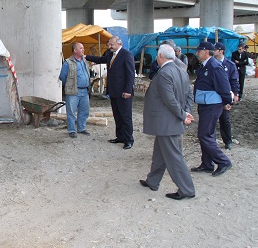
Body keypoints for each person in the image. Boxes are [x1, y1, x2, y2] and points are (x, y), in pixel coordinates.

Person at [140, 44, 195, 200]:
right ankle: (153, 181)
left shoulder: (165, 73)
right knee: (160, 154)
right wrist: (186, 111)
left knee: (174, 158)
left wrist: (183, 115)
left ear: (160, 56)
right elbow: (189, 94)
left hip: (167, 123)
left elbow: (169, 100)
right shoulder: (181, 71)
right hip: (170, 122)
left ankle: (187, 189)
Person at [191, 41, 233, 177]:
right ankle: (207, 164)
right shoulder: (205, 66)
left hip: (212, 106)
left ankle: (223, 161)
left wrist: (227, 101)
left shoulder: (214, 67)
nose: (197, 53)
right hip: (205, 105)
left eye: (199, 51)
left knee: (204, 135)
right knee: (208, 135)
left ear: (206, 52)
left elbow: (224, 87)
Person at [86, 36, 135, 149]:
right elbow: (99, 60)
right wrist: (86, 56)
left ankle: (128, 139)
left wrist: (127, 90)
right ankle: (120, 137)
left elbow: (130, 74)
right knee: (117, 115)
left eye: (111, 45)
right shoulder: (110, 55)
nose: (109, 46)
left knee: (125, 116)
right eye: (109, 44)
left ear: (119, 44)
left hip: (123, 92)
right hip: (114, 91)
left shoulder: (126, 55)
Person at [59, 42, 91, 138]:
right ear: (75, 50)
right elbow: (62, 77)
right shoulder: (67, 62)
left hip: (85, 91)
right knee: (71, 112)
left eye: (83, 48)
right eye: (81, 48)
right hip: (73, 91)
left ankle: (81, 128)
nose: (83, 50)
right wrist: (70, 85)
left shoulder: (84, 61)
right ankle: (72, 130)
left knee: (84, 111)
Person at [214, 42, 239, 150]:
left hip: (225, 96)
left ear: (221, 51)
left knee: (225, 119)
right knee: (212, 119)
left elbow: (234, 81)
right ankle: (211, 141)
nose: (213, 51)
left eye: (215, 49)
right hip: (214, 96)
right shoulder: (211, 64)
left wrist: (235, 94)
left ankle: (227, 141)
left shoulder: (230, 65)